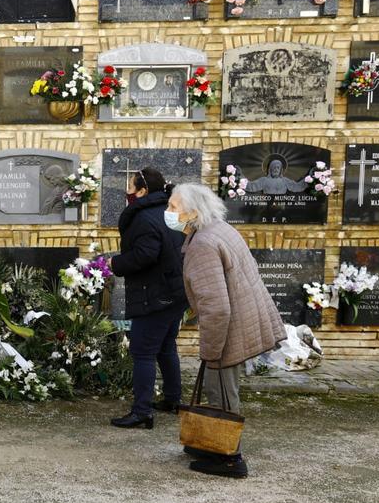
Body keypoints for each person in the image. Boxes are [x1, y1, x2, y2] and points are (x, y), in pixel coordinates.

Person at [166, 184, 287, 479]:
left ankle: (229, 458)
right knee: (219, 385)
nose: (168, 212)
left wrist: (210, 349)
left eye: (173, 207)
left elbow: (216, 307)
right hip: (242, 319)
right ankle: (210, 443)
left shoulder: (203, 245)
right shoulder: (218, 229)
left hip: (229, 327)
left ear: (192, 213)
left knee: (220, 388)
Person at [108, 168, 188, 429]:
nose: (127, 192)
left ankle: (142, 411)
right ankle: (172, 399)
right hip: (174, 293)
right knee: (166, 347)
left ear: (142, 191)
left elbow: (145, 254)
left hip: (154, 295)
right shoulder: (168, 212)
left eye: (131, 187)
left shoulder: (144, 217)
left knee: (142, 352)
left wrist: (115, 263)